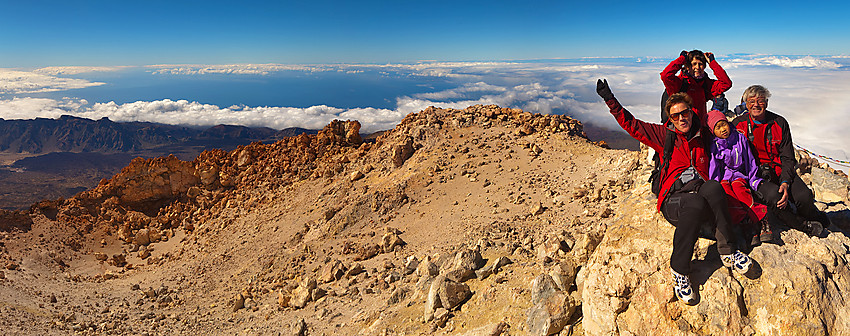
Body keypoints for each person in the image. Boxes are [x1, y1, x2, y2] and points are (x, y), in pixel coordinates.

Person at [597, 79, 752, 306]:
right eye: (675, 115)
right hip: (675, 200)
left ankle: (727, 250)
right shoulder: (663, 136)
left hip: (700, 192)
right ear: (670, 119)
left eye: (685, 113)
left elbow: (725, 125)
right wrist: (610, 99)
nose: (681, 118)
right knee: (695, 203)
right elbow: (631, 124)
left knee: (714, 188)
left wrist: (749, 114)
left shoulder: (702, 134)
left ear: (692, 112)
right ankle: (679, 270)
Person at [731, 85, 829, 236]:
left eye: (760, 101)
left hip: (779, 170)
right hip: (755, 175)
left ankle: (812, 215)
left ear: (767, 103)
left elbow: (788, 157)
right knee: (776, 199)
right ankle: (803, 225)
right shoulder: (738, 125)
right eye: (751, 101)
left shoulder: (779, 122)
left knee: (804, 197)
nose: (756, 105)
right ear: (746, 104)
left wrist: (785, 182)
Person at [706, 110, 771, 244]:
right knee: (729, 197)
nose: (723, 129)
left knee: (741, 193)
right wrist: (714, 184)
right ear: (713, 131)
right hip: (724, 178)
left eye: (724, 124)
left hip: (739, 175)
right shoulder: (715, 145)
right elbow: (714, 166)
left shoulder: (739, 138)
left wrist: (753, 178)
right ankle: (746, 223)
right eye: (718, 127)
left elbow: (749, 159)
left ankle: (761, 218)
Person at [661, 50, 732, 124]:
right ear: (688, 67)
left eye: (700, 64)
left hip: (700, 128)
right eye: (694, 64)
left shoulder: (706, 84)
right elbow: (665, 75)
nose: (697, 67)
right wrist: (682, 59)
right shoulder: (680, 83)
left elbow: (726, 83)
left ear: (704, 66)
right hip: (681, 128)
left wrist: (712, 62)